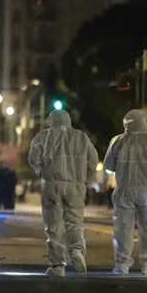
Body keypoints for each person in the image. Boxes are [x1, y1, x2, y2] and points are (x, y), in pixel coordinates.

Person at [29, 109, 99, 277]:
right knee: (75, 222)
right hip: (76, 185)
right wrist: (85, 179)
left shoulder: (43, 136)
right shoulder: (81, 137)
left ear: (51, 120)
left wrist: (41, 172)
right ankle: (76, 250)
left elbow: (33, 159)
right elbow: (93, 160)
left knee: (54, 225)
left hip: (52, 184)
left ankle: (57, 266)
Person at [103, 109, 147, 276]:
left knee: (123, 229)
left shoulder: (117, 140)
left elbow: (109, 166)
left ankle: (122, 265)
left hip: (124, 189)